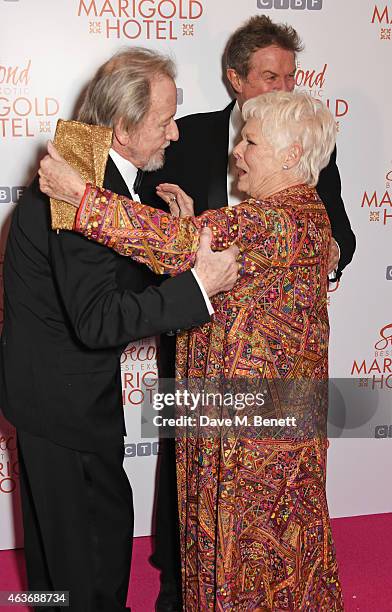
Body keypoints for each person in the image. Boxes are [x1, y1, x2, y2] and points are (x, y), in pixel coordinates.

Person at [39, 90, 344, 610]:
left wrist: (80, 195)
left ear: (291, 154)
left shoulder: (274, 221)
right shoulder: (301, 215)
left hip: (252, 438)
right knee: (274, 550)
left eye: (250, 141)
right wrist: (190, 223)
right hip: (258, 423)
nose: (237, 152)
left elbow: (187, 244)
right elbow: (212, 257)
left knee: (251, 559)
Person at [0, 48, 239, 612]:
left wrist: (170, 246)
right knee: (86, 564)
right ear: (123, 129)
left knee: (66, 560)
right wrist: (198, 286)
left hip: (57, 399)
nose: (176, 133)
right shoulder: (80, 187)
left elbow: (105, 275)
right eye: (163, 121)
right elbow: (98, 317)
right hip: (64, 407)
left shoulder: (95, 172)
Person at [139, 15, 356, 609]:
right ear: (236, 78)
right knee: (208, 491)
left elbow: (331, 233)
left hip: (261, 382)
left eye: (290, 76)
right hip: (204, 350)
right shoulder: (192, 138)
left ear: (290, 157)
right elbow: (183, 239)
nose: (284, 87)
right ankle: (188, 584)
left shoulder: (294, 180)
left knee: (248, 512)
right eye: (269, 76)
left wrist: (76, 196)